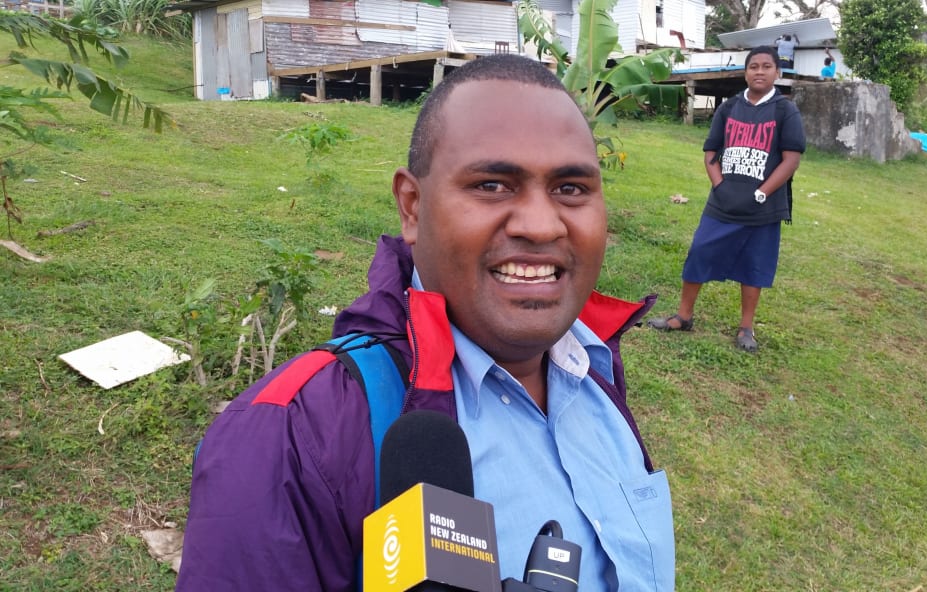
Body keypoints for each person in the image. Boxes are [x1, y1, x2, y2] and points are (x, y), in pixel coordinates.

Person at [176, 53, 675, 591]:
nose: (540, 224)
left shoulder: (592, 366)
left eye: (571, 189)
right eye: (492, 185)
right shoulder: (292, 435)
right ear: (412, 207)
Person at [647, 46, 805, 352]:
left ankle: (746, 328)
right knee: (700, 253)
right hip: (722, 205)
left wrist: (762, 192)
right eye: (753, 66)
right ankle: (683, 316)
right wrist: (719, 185)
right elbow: (711, 152)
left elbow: (790, 160)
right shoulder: (730, 108)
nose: (759, 71)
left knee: (754, 266)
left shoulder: (786, 111)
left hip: (763, 209)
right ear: (745, 72)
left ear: (778, 73)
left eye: (766, 66)